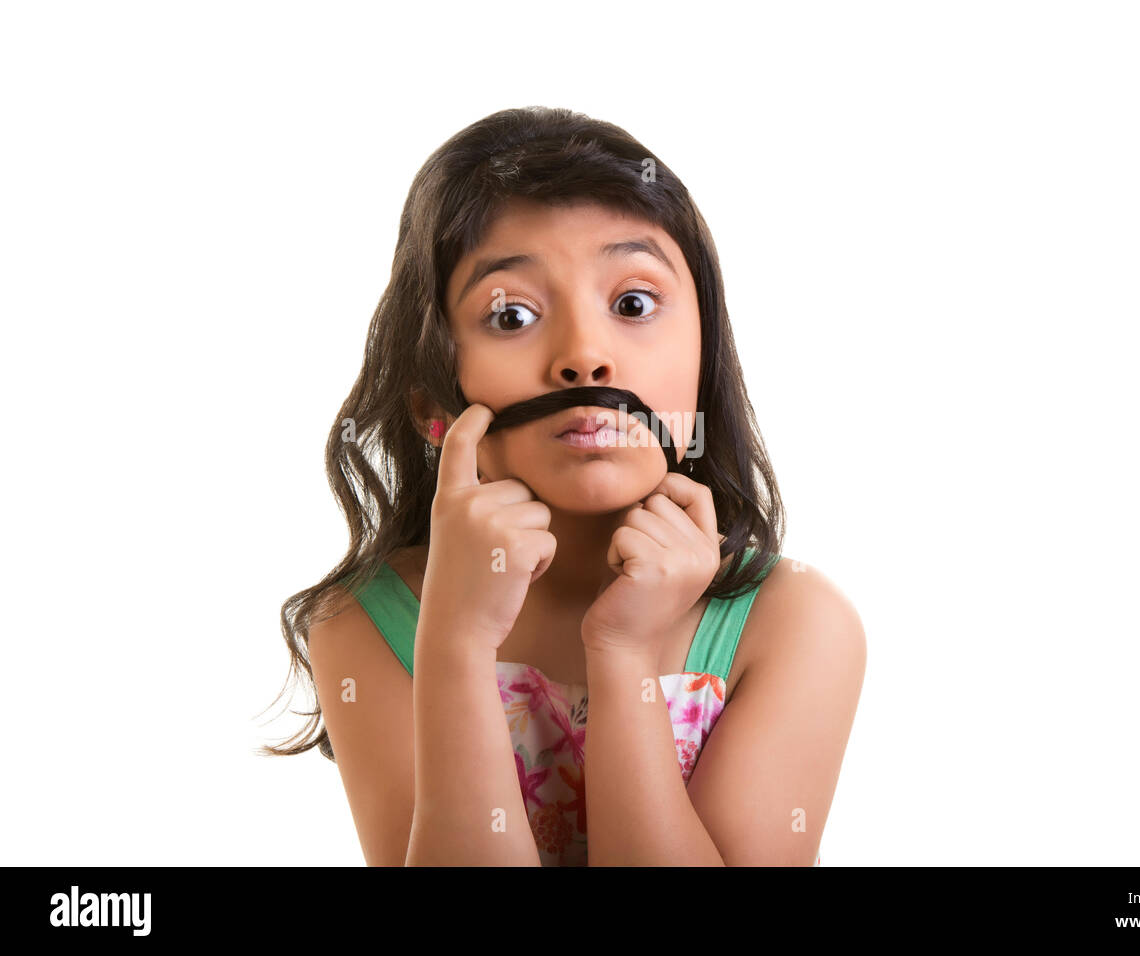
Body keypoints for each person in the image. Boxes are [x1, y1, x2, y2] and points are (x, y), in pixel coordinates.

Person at [261, 106, 866, 866]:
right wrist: (453, 640)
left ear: (704, 358)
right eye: (512, 314)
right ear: (432, 405)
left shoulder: (797, 624)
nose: (586, 358)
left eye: (633, 305)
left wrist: (622, 653)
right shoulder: (365, 624)